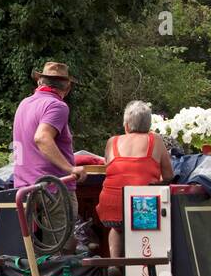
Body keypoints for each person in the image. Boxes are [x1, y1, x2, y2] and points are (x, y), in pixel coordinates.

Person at [12, 62, 88, 246]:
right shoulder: (57, 106)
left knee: (33, 252)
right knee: (62, 249)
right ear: (67, 87)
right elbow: (42, 138)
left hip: (24, 189)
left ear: (39, 82)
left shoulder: (24, 104)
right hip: (54, 188)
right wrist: (71, 168)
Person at [98, 100, 173, 257]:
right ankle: (143, 265)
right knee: (146, 220)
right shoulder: (156, 140)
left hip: (111, 207)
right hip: (141, 207)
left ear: (126, 126)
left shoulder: (112, 141)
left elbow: (109, 168)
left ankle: (115, 262)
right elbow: (168, 176)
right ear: (149, 126)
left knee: (117, 228)